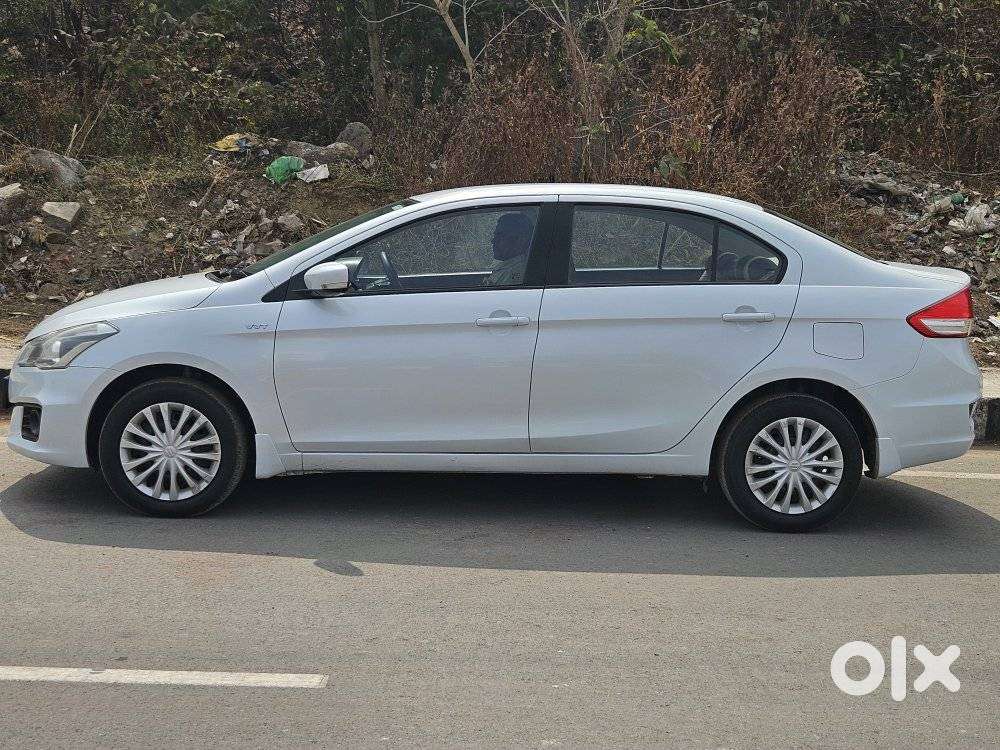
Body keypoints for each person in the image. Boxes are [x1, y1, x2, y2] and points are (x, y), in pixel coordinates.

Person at [483, 212, 534, 286]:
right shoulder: (507, 266)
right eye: (495, 236)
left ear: (520, 240)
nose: (493, 241)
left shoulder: (514, 272)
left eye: (500, 236)